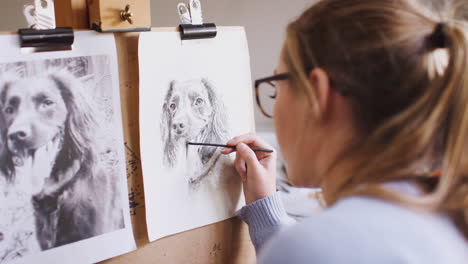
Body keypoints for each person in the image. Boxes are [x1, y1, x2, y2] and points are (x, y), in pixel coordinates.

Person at [221, 0, 468, 263]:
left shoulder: (315, 247)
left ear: (317, 92)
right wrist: (265, 208)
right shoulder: (447, 216)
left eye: (276, 88)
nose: (275, 102)